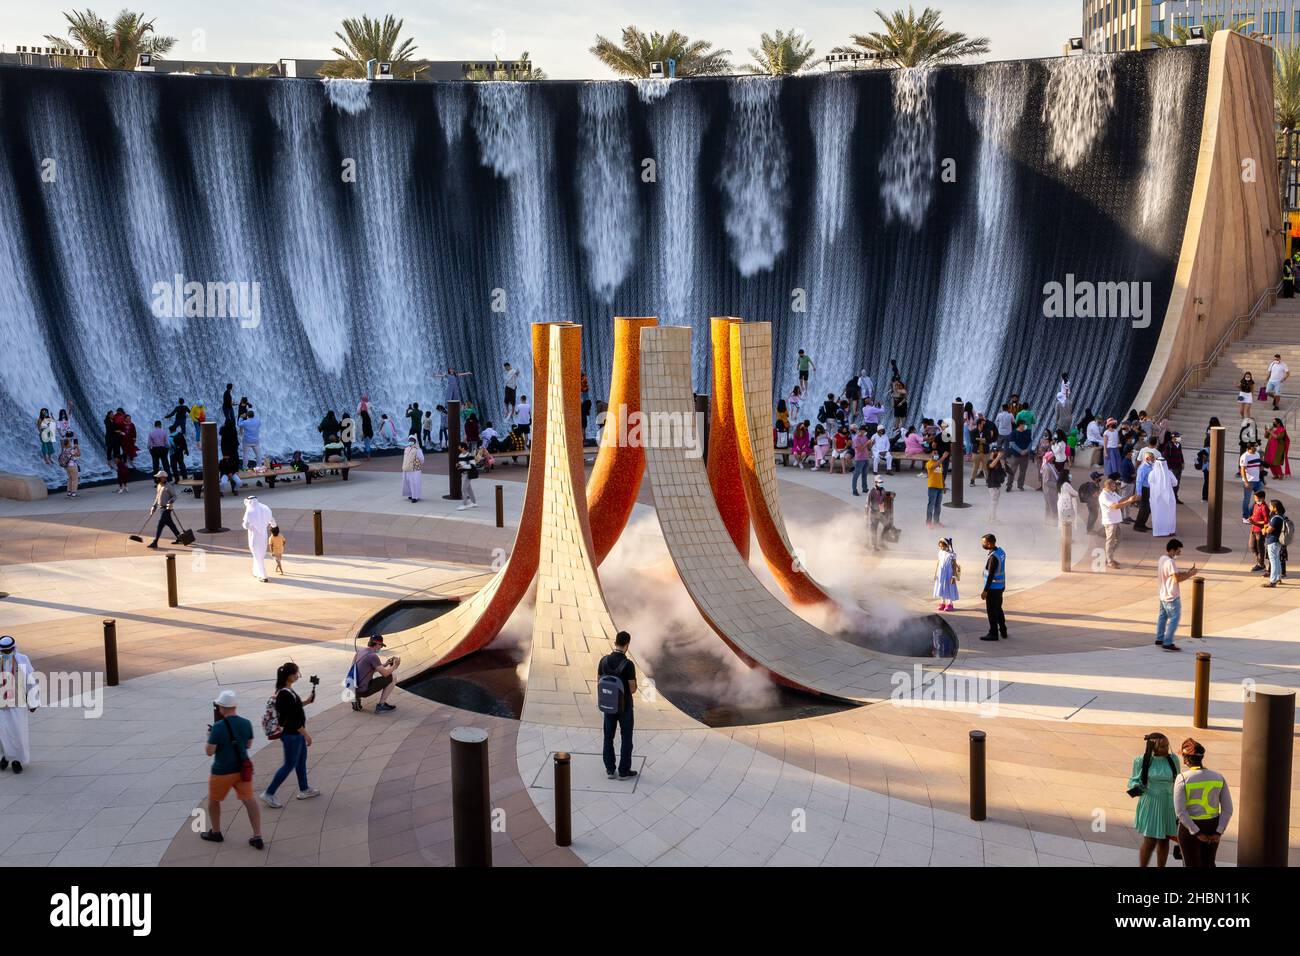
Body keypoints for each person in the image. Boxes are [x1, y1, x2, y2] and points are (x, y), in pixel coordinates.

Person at [201, 690, 264, 850]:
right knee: (249, 801)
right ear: (235, 706)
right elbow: (248, 745)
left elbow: (209, 752)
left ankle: (216, 832)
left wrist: (210, 736)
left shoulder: (218, 727)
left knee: (214, 801)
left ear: (222, 708)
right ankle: (257, 836)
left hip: (221, 771)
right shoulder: (246, 723)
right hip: (242, 770)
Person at [259, 663, 320, 809]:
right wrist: (306, 734)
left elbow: (294, 709)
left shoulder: (287, 691)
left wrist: (306, 701)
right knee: (289, 764)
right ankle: (269, 793)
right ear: (289, 676)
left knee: (300, 761)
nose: (298, 675)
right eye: (296, 673)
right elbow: (291, 719)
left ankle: (304, 789)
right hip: (292, 734)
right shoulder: (284, 694)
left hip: (295, 733)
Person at [1173, 738, 1233, 868]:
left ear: (1186, 759)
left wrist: (1197, 832)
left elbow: (1180, 811)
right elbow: (1228, 810)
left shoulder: (1182, 778)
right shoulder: (1218, 777)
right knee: (1209, 863)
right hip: (1213, 825)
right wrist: (1218, 831)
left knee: (1191, 864)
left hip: (1190, 827)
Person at [1126, 733, 1179, 867]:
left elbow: (1178, 781)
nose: (1166, 748)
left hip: (1168, 803)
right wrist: (1136, 786)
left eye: (1167, 745)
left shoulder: (1173, 759)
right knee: (1150, 840)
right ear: (1152, 747)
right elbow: (1132, 781)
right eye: (1162, 746)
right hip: (1150, 803)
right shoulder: (1141, 761)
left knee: (1165, 840)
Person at [597, 631, 638, 780]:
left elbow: (599, 681)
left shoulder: (604, 661)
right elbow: (632, 688)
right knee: (626, 737)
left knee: (608, 737)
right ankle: (623, 771)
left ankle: (610, 769)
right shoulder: (628, 665)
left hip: (609, 705)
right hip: (625, 707)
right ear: (627, 645)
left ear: (615, 643)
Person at [0, 635, 39, 774]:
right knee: (3, 733)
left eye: (8, 650)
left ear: (13, 648)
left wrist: (33, 701)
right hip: (1, 704)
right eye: (3, 651)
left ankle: (17, 760)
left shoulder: (22, 659)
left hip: (18, 703)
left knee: (18, 733)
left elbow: (30, 681)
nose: (6, 653)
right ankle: (5, 756)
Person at [1155, 539, 1197, 651]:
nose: (1180, 553)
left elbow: (1173, 574)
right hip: (1171, 596)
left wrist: (1187, 573)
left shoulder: (1162, 559)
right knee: (1175, 618)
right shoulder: (1171, 562)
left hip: (1163, 595)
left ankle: (1159, 638)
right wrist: (1190, 575)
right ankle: (1167, 642)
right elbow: (1176, 578)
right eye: (1178, 551)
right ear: (1173, 550)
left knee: (1162, 617)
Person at [349, 634, 400, 713]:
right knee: (393, 677)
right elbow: (385, 674)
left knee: (362, 681)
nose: (381, 648)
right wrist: (395, 666)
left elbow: (366, 669)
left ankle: (356, 697)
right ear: (377, 644)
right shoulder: (373, 656)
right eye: (381, 645)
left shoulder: (360, 651)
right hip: (364, 690)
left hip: (352, 687)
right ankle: (381, 706)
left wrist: (385, 664)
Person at [1099, 477, 1139, 569]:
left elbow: (1120, 500)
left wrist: (1131, 498)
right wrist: (1128, 501)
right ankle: (1109, 561)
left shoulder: (1112, 493)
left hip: (1115, 521)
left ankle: (1109, 557)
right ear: (1108, 486)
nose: (1116, 487)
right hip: (1110, 522)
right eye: (1114, 485)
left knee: (1119, 538)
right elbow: (1115, 506)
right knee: (1110, 541)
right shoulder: (1104, 496)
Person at [979, 534, 1007, 641]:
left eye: (984, 542)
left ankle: (993, 633)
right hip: (1001, 586)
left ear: (989, 543)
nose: (982, 544)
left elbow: (990, 575)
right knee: (998, 609)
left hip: (993, 588)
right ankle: (1003, 630)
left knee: (991, 611)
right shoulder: (1000, 552)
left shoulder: (993, 558)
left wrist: (985, 590)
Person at [241, 496, 275, 583]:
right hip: (263, 535)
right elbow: (272, 521)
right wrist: (274, 528)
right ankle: (256, 571)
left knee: (257, 555)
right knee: (260, 554)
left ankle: (263, 575)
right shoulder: (265, 508)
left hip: (254, 536)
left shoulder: (249, 511)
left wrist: (251, 526)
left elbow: (245, 525)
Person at [147, 471, 183, 548]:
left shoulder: (168, 486)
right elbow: (157, 497)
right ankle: (179, 537)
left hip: (167, 508)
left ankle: (155, 542)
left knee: (160, 524)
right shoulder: (159, 485)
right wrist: (154, 506)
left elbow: (174, 496)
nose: (157, 478)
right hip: (161, 508)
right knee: (170, 523)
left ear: (163, 478)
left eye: (159, 477)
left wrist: (171, 501)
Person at [1148, 455, 1179, 537]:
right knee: (1169, 514)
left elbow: (1149, 482)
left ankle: (1158, 532)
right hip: (1168, 498)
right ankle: (1170, 531)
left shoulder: (1152, 473)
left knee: (1157, 514)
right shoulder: (1169, 473)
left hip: (1156, 498)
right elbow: (1175, 483)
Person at [1263, 499, 1288, 587]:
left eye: (1270, 506)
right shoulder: (1282, 516)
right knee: (1277, 560)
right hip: (1278, 542)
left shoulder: (1276, 518)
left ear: (1275, 508)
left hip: (1273, 541)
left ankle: (1272, 581)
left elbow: (1269, 530)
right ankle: (1278, 578)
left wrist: (1264, 530)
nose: (1269, 507)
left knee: (1273, 561)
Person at [1239, 439, 1264, 521]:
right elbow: (1242, 470)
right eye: (1255, 446)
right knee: (1247, 499)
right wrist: (1246, 482)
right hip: (1249, 481)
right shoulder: (1245, 456)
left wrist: (1261, 466)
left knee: (1260, 499)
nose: (1256, 447)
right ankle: (1245, 517)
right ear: (1250, 447)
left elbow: (1259, 465)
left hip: (1258, 481)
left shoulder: (1257, 454)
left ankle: (1250, 513)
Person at [1004, 420, 1032, 491]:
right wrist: (1020, 451)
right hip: (1016, 456)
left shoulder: (1027, 432)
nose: (1025, 426)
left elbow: (1030, 442)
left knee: (1023, 472)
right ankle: (1009, 485)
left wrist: (1027, 450)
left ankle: (1020, 485)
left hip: (1025, 456)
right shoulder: (1013, 433)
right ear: (1020, 425)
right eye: (1024, 425)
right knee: (1012, 471)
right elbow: (1012, 444)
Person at [932, 537, 959, 612]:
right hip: (940, 573)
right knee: (941, 587)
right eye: (940, 546)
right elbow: (938, 563)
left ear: (947, 545)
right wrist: (935, 573)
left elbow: (954, 565)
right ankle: (942, 602)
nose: (941, 547)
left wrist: (953, 576)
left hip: (949, 573)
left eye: (943, 546)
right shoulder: (940, 552)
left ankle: (950, 603)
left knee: (948, 587)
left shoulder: (952, 554)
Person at [924, 450, 948, 528]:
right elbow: (935, 465)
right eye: (934, 453)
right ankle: (928, 522)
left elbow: (940, 475)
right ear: (931, 455)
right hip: (932, 487)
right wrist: (943, 457)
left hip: (939, 488)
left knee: (938, 506)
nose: (936, 454)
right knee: (931, 505)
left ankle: (936, 522)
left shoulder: (940, 464)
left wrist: (943, 486)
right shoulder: (929, 463)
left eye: (937, 453)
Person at [865, 475, 890, 550]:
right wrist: (866, 514)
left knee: (887, 525)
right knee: (874, 529)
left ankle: (881, 541)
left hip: (880, 512)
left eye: (882, 482)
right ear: (875, 482)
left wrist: (883, 512)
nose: (881, 483)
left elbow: (882, 501)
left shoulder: (883, 490)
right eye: (879, 482)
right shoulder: (871, 491)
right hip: (873, 512)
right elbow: (867, 504)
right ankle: (874, 545)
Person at [401, 435, 425, 503]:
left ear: (415, 441)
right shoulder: (406, 449)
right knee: (408, 482)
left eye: (412, 440)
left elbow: (422, 459)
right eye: (410, 440)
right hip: (406, 468)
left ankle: (415, 497)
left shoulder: (418, 450)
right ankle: (410, 494)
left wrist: (416, 464)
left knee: (414, 483)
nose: (411, 441)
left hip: (414, 470)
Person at [985, 448, 1006, 523]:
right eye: (994, 453)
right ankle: (992, 519)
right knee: (994, 501)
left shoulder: (998, 462)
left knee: (995, 502)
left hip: (997, 484)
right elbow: (991, 466)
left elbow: (1003, 472)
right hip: (992, 484)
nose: (996, 454)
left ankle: (991, 516)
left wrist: (1002, 462)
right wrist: (998, 457)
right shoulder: (989, 461)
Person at [850, 425, 872, 495]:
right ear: (861, 430)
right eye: (864, 430)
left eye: (866, 431)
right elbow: (860, 449)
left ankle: (864, 488)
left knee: (865, 474)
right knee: (856, 474)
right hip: (859, 458)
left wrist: (871, 443)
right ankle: (854, 490)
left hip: (866, 457)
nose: (865, 432)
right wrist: (867, 443)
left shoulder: (865, 437)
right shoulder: (856, 438)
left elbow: (868, 447)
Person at [456, 441, 478, 510]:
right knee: (468, 489)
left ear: (463, 448)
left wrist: (463, 466)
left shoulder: (470, 455)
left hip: (468, 474)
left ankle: (464, 504)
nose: (458, 447)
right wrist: (458, 465)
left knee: (463, 489)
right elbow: (461, 463)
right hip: (463, 474)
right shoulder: (460, 455)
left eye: (459, 446)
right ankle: (474, 502)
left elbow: (473, 465)